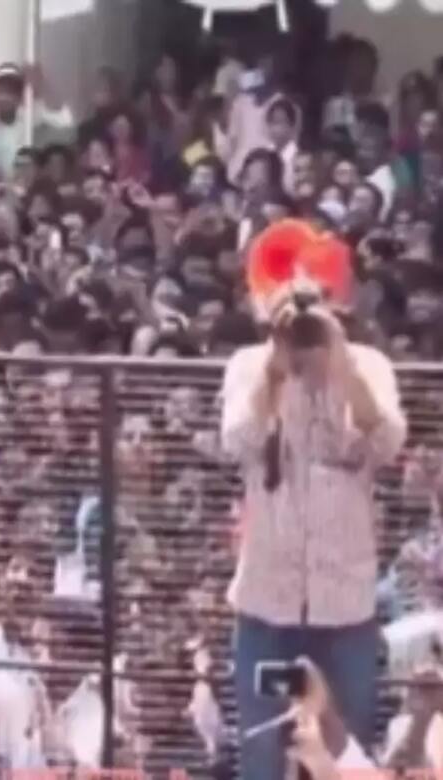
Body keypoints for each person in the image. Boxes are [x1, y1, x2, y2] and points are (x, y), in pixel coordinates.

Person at [221, 221, 407, 780]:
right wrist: (276, 372)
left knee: (343, 758)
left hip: (344, 608)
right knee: (260, 755)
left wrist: (341, 363)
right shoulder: (248, 367)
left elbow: (388, 441)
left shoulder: (369, 366)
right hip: (265, 605)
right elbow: (239, 441)